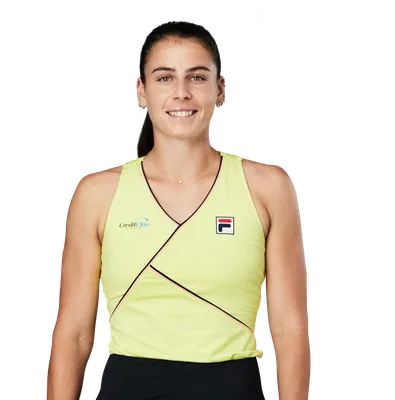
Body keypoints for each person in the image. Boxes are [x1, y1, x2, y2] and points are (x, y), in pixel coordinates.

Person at [46, 19, 311, 400]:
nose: (182, 93)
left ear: (221, 90)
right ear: (141, 91)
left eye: (197, 77)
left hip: (231, 388)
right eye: (165, 78)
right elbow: (73, 332)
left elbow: (289, 328)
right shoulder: (97, 194)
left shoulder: (267, 188)